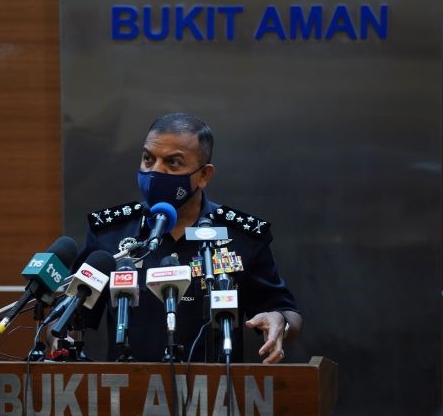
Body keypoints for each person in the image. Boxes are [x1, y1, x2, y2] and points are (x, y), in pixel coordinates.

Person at [72, 112, 301, 363]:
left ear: (204, 176)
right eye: (148, 159)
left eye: (173, 163)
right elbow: (70, 313)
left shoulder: (241, 236)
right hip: (127, 383)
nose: (155, 171)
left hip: (216, 386)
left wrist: (280, 322)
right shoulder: (110, 233)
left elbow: (286, 313)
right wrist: (60, 335)